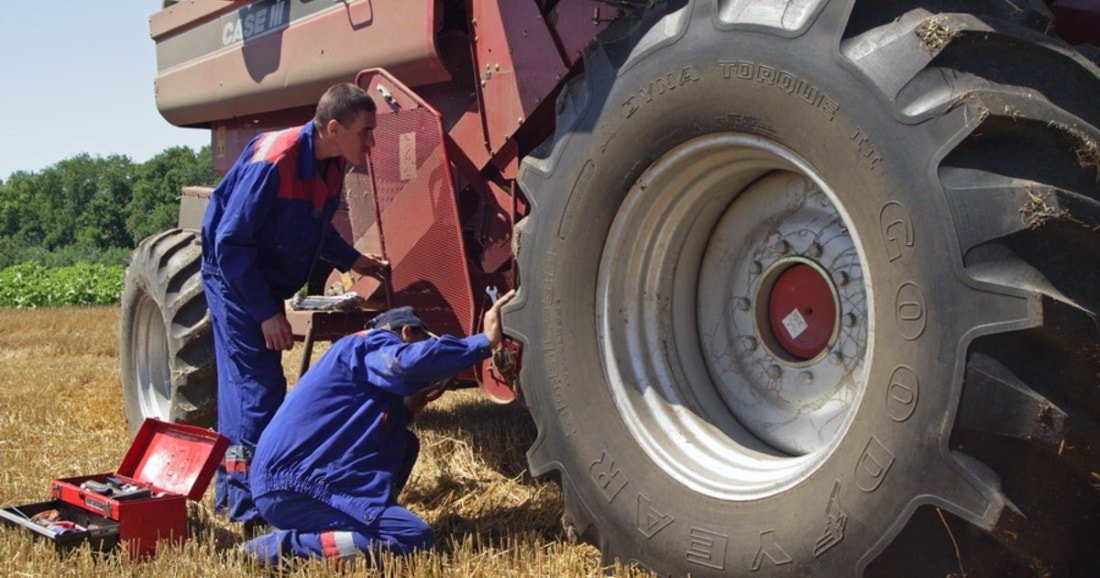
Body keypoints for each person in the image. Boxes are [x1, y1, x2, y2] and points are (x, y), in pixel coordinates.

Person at [200, 82, 390, 526]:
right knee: (257, 391)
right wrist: (267, 313)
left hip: (261, 280)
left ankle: (235, 495)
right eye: (365, 132)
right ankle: (249, 509)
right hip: (235, 280)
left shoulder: (330, 165)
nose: (371, 143)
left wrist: (356, 260)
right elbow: (231, 244)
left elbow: (316, 229)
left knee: (248, 391)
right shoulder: (276, 160)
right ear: (334, 128)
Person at [242, 290, 517, 565]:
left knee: (405, 444)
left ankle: (345, 526)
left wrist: (405, 411)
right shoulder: (371, 342)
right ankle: (278, 549)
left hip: (292, 482)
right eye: (422, 344)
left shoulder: (352, 359)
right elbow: (405, 366)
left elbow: (356, 433)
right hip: (296, 484)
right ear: (406, 332)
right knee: (410, 538)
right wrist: (484, 341)